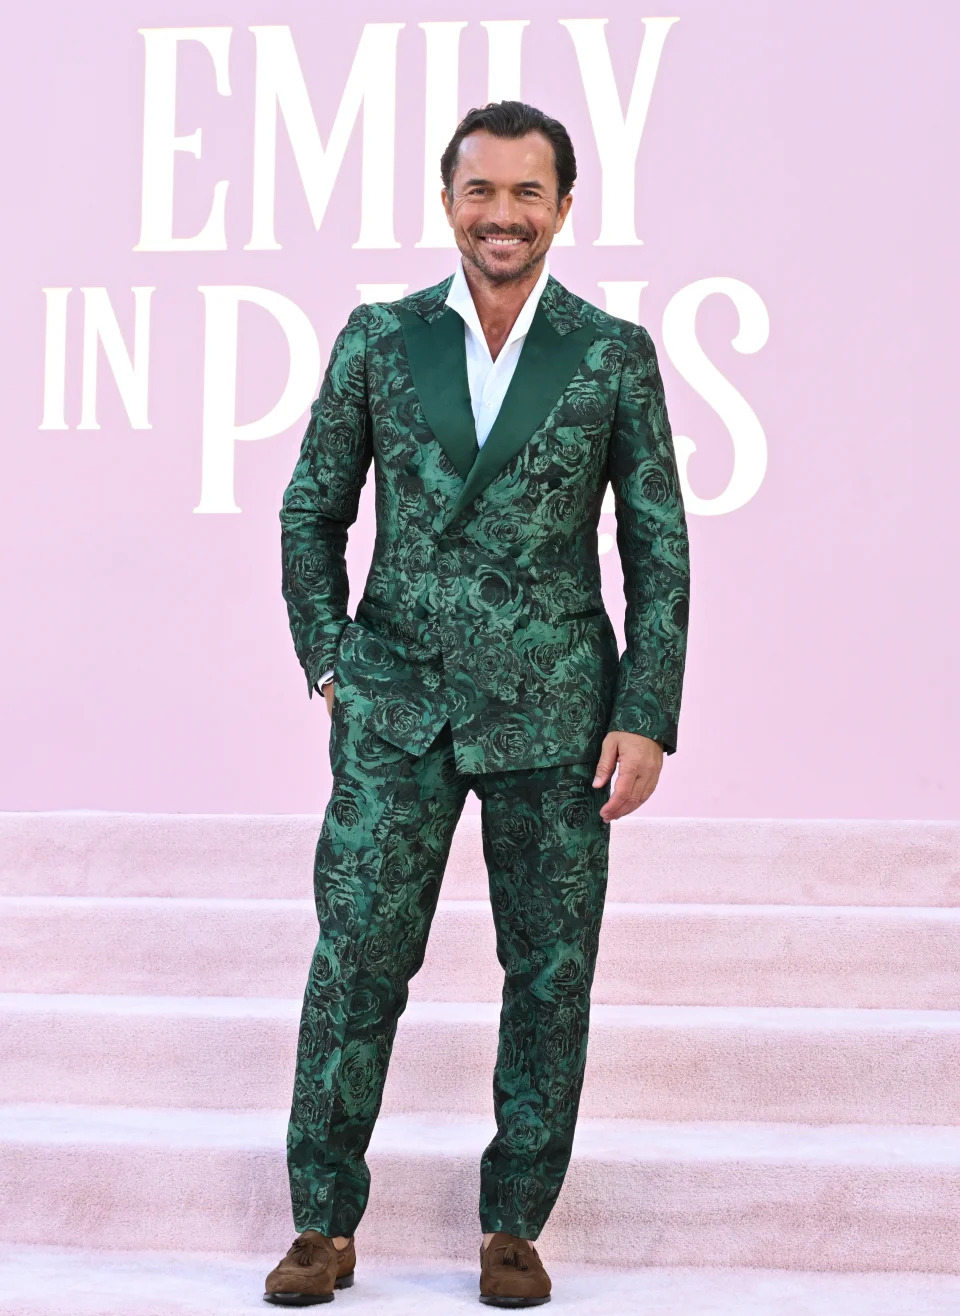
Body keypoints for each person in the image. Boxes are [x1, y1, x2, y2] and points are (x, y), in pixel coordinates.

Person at [264, 100, 690, 1308]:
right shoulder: (377, 338)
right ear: (448, 201)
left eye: (526, 193)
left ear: (564, 206)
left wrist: (646, 708)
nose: (502, 214)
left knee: (550, 974)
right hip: (394, 709)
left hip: (557, 714)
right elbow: (311, 510)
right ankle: (323, 1223)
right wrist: (331, 658)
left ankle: (514, 1223)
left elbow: (658, 547)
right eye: (481, 191)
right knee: (355, 963)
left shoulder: (611, 352)